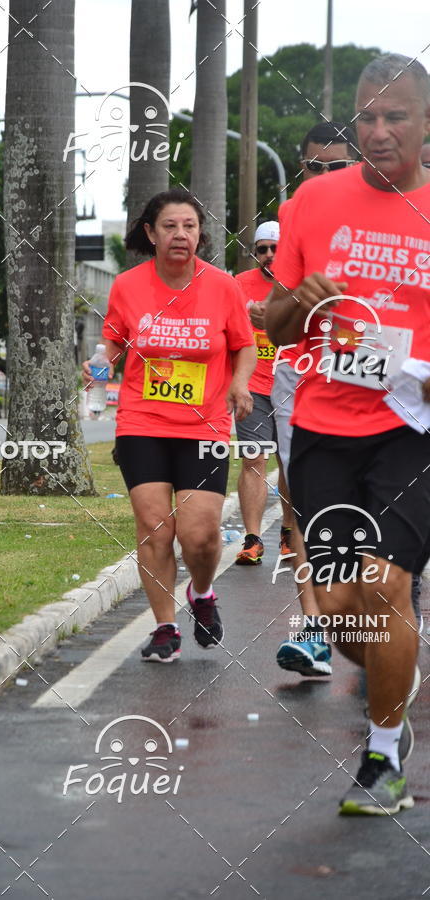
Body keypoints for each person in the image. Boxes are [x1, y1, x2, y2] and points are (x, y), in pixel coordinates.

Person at [266, 54, 430, 815]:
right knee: (340, 612)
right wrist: (298, 301)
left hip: (412, 427)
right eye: (367, 115)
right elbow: (272, 325)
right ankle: (399, 663)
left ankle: (383, 757)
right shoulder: (313, 201)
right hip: (324, 424)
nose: (378, 130)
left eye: (395, 116)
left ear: (426, 125)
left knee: (385, 583)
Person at [83, 187, 256, 661]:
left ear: (200, 234)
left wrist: (240, 384)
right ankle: (164, 627)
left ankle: (201, 592)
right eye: (170, 227)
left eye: (190, 227)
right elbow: (114, 343)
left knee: (199, 535)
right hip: (142, 420)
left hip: (204, 426)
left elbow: (244, 344)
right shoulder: (128, 286)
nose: (181, 235)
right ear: (150, 233)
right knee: (155, 527)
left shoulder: (223, 286)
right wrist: (101, 365)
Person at [273, 121, 359, 676]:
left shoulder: (398, 207)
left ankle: (383, 622)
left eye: (335, 167)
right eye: (313, 167)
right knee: (305, 505)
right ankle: (314, 633)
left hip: (385, 390)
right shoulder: (294, 215)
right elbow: (282, 321)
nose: (322, 178)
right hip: (306, 377)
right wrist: (290, 305)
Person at [234, 222, 294, 565]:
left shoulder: (300, 283)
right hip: (253, 388)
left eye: (275, 248)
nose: (269, 255)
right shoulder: (240, 285)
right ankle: (253, 539)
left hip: (293, 385)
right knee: (254, 460)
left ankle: (288, 533)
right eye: (262, 249)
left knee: (289, 462)